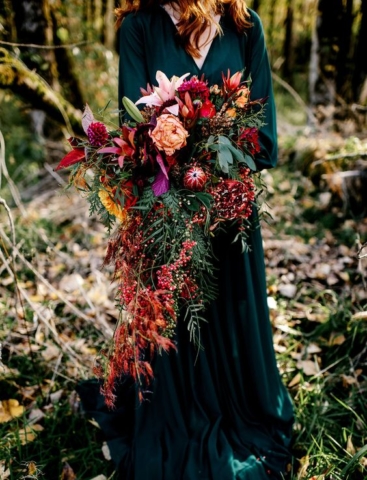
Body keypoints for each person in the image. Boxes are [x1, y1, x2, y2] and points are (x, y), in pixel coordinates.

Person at [77, 1, 294, 479]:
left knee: (232, 315)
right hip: (167, 212)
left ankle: (244, 408)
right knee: (176, 323)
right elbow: (135, 135)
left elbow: (265, 135)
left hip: (231, 209)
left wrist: (215, 173)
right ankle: (178, 416)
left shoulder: (245, 26)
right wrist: (179, 179)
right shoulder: (139, 27)